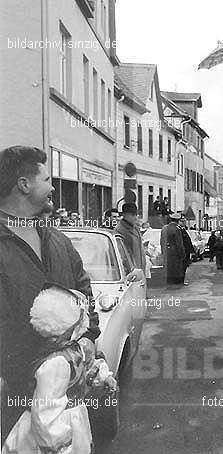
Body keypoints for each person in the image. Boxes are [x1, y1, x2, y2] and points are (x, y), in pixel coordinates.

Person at [0, 145, 100, 444]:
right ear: (24, 184)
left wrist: (88, 338)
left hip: (63, 397)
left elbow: (84, 292)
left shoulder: (56, 238)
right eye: (46, 179)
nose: (53, 186)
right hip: (11, 398)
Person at [2, 285, 117, 454]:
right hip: (58, 424)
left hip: (72, 417)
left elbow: (85, 366)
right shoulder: (56, 364)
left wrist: (103, 376)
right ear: (72, 327)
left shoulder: (74, 348)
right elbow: (45, 413)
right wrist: (59, 446)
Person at [116, 202, 146, 274]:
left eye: (136, 214)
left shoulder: (135, 228)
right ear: (124, 215)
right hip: (131, 274)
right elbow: (122, 256)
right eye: (132, 215)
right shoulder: (120, 230)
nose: (135, 217)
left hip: (140, 271)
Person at [160, 212, 186, 285]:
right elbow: (179, 243)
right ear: (177, 221)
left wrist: (163, 251)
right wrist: (182, 255)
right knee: (175, 270)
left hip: (166, 253)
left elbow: (162, 242)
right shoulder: (177, 229)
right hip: (175, 254)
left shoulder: (164, 228)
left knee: (168, 270)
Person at [179, 217, 194, 286]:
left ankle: (182, 280)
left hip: (186, 251)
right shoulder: (179, 230)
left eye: (184, 221)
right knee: (182, 267)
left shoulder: (183, 230)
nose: (184, 223)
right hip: (184, 251)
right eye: (182, 221)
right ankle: (181, 281)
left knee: (184, 267)